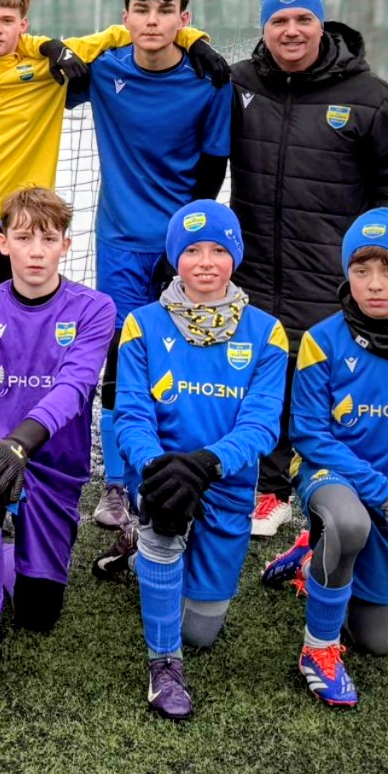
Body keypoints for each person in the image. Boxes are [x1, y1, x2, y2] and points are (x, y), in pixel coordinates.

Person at [228, 0, 388, 538]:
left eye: (303, 19)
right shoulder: (238, 84)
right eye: (279, 20)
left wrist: (372, 261)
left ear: (322, 25)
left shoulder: (372, 98)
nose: (291, 30)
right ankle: (268, 491)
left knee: (327, 389)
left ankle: (337, 492)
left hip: (328, 276)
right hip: (254, 269)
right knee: (263, 376)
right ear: (264, 28)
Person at [0, 0, 224, 323]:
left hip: (19, 225)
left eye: (7, 20)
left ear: (24, 25)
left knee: (17, 334)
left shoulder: (45, 68)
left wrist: (194, 40)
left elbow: (134, 32)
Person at [263, 209, 388, 706]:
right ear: (347, 273)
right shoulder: (321, 340)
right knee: (349, 522)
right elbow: (309, 435)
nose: (374, 283)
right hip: (327, 475)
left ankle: (311, 555)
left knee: (376, 642)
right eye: (361, 269)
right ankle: (318, 651)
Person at [110, 201, 288, 721]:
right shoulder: (141, 324)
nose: (205, 262)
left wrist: (206, 464)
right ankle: (163, 665)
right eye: (191, 250)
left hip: (224, 485)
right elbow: (131, 418)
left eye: (217, 250)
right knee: (166, 518)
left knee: (201, 631)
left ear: (235, 256)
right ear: (174, 258)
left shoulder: (267, 332)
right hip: (161, 479)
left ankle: (143, 556)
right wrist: (159, 468)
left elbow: (261, 426)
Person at [78, 0, 232, 531]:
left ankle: (180, 469)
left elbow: (214, 167)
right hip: (120, 243)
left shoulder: (209, 80)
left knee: (181, 358)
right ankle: (118, 484)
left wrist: (184, 243)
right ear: (125, 17)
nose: (152, 21)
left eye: (165, 11)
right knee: (120, 359)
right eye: (141, 10)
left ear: (183, 19)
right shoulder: (105, 69)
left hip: (183, 249)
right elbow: (42, 56)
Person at [0, 189, 113, 695]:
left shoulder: (95, 308)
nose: (36, 251)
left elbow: (74, 387)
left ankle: (8, 546)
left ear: (66, 245)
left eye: (48, 239)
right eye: (23, 238)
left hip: (53, 464)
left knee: (38, 615)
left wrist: (19, 446)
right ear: (3, 244)